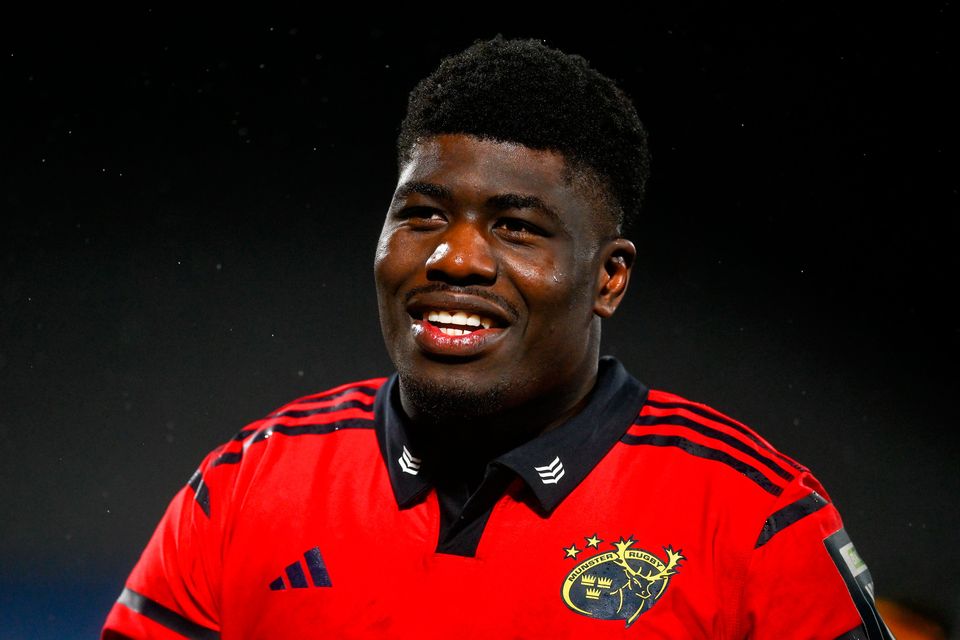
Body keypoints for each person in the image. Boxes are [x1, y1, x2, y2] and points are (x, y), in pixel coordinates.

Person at [102, 36, 893, 639]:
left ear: (609, 279)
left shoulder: (754, 518)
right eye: (423, 215)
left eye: (516, 227)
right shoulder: (245, 487)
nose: (456, 258)